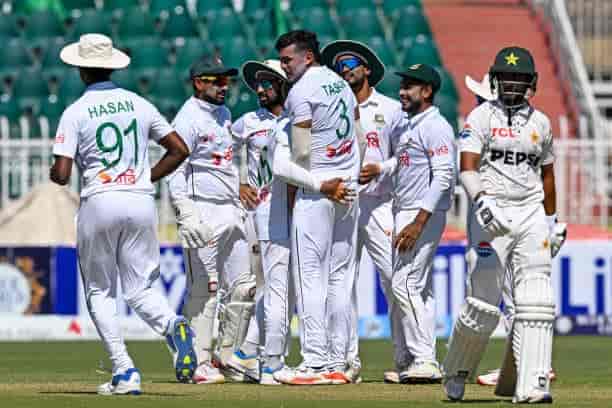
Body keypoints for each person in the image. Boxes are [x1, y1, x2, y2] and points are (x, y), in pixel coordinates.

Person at [50, 33, 197, 395]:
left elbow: (63, 173)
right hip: (140, 199)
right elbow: (179, 149)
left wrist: (55, 173)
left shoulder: (75, 111)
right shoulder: (138, 103)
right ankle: (171, 324)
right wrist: (146, 176)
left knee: (100, 291)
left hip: (100, 199)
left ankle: (124, 369)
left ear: (82, 69)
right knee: (140, 287)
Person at [442, 47, 567, 403]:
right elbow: (466, 166)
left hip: (529, 212)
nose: (512, 84)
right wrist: (481, 201)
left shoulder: (541, 122)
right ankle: (457, 371)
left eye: (519, 78)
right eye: (507, 77)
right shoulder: (481, 116)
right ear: (496, 80)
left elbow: (548, 177)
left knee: (536, 297)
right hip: (491, 211)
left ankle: (534, 384)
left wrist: (550, 221)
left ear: (531, 84)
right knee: (483, 302)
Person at [271, 30, 363, 385]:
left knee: (310, 278)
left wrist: (322, 184)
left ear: (308, 57)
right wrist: (348, 180)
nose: (284, 67)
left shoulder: (301, 91)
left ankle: (314, 363)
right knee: (341, 278)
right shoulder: (341, 85)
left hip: (321, 191)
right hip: (348, 189)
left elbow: (302, 155)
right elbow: (358, 138)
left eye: (288, 60)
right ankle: (339, 363)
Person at [320, 40, 408, 384]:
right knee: (340, 282)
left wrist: (381, 168)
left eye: (352, 63)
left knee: (394, 280)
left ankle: (407, 358)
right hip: (343, 202)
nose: (345, 69)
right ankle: (344, 361)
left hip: (379, 204)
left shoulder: (390, 108)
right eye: (340, 66)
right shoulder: (331, 108)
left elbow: (407, 156)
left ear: (367, 68)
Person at [364, 63, 456, 383]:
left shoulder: (436, 126)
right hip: (406, 209)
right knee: (420, 289)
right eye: (402, 85)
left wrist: (419, 221)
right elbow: (405, 161)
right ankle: (421, 359)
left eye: (410, 86)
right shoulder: (410, 125)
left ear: (427, 91)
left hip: (420, 213)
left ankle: (425, 360)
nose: (402, 91)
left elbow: (444, 175)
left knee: (403, 284)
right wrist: (381, 169)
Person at [167, 54, 253, 385]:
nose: (223, 86)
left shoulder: (224, 114)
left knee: (244, 288)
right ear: (198, 82)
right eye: (216, 80)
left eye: (226, 80)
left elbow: (223, 163)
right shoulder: (187, 118)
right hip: (202, 209)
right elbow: (176, 169)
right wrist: (186, 213)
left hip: (230, 209)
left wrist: (239, 184)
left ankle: (228, 357)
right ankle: (197, 360)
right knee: (206, 289)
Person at [225, 59, 294, 385]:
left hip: (298, 213)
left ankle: (245, 353)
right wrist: (237, 183)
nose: (261, 89)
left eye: (269, 83)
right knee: (278, 288)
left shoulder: (299, 118)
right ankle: (269, 361)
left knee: (285, 289)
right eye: (259, 84)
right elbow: (218, 153)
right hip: (266, 212)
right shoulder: (249, 120)